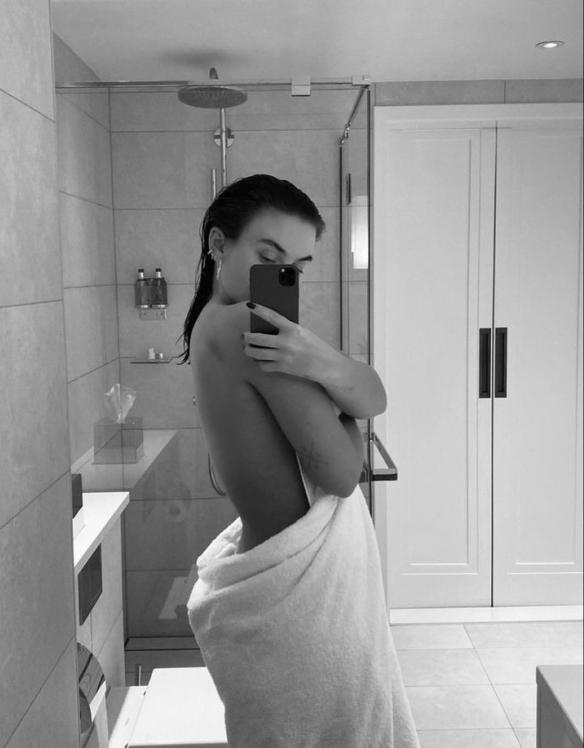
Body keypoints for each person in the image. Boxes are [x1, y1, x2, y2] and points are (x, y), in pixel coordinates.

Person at [180, 174, 421, 747]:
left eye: (296, 267)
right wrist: (342, 407)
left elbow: (374, 395)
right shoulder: (246, 328)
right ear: (218, 243)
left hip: (283, 576)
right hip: (298, 596)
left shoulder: (214, 324)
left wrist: (318, 361)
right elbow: (341, 473)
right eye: (268, 258)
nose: (282, 277)